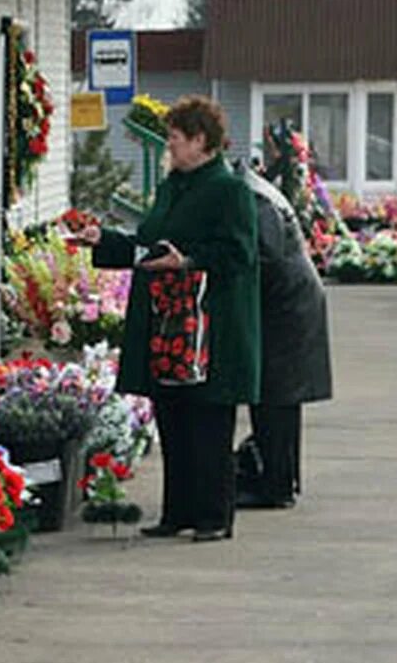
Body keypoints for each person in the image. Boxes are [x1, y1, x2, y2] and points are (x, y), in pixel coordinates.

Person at [77, 96, 261, 542]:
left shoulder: (229, 189)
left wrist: (189, 261)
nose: (170, 149)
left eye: (175, 140)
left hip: (208, 326)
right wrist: (103, 241)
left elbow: (240, 253)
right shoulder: (174, 185)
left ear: (201, 141)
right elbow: (150, 245)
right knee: (173, 417)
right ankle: (177, 512)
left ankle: (214, 516)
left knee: (208, 422)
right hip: (166, 323)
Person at [236, 151, 331, 507]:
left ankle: (275, 486)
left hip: (286, 308)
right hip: (291, 303)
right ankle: (281, 481)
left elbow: (265, 256)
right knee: (280, 401)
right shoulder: (255, 190)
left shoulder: (252, 197)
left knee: (274, 398)